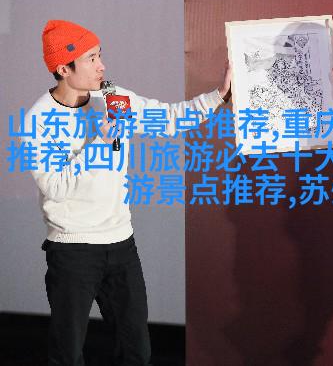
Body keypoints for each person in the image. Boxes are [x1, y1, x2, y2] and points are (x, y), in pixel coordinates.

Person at [23, 19, 230, 365]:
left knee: (137, 351)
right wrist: (101, 143)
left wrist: (218, 95)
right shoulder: (39, 120)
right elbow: (55, 187)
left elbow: (168, 119)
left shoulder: (112, 98)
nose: (101, 66)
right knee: (67, 354)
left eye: (99, 55)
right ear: (63, 68)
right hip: (72, 251)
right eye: (90, 59)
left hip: (121, 244)